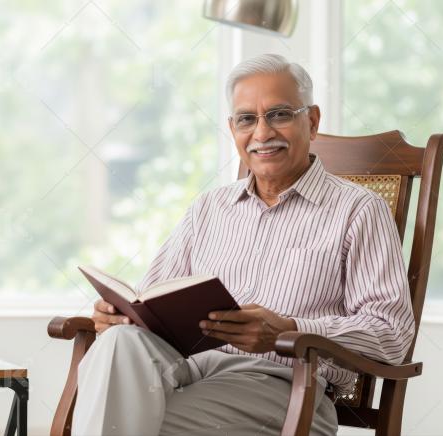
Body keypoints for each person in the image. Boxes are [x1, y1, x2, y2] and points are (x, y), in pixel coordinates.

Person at [71, 53, 415, 436]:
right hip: (189, 370)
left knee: (121, 416)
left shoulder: (358, 210)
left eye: (280, 114)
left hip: (284, 386)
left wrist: (288, 328)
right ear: (232, 128)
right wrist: (119, 316)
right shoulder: (209, 207)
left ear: (312, 121)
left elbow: (392, 334)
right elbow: (150, 302)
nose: (262, 133)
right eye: (247, 119)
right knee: (120, 344)